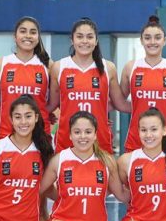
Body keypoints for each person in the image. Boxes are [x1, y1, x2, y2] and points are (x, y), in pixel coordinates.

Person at [0, 16, 53, 221]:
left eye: (33, 31)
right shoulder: (1, 64)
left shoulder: (47, 66)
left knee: (39, 203)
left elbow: (50, 103)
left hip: (38, 142)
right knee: (9, 205)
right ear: (15, 35)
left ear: (38, 37)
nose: (28, 36)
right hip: (8, 140)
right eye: (23, 31)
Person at [49, 17, 130, 154]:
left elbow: (120, 103)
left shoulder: (108, 67)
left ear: (96, 40)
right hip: (67, 139)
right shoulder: (59, 67)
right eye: (80, 37)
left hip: (100, 139)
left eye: (89, 37)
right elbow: (52, 104)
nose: (85, 41)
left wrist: (150, 106)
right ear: (72, 40)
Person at [119, 15, 166, 152]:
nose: (152, 42)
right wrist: (138, 108)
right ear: (142, 41)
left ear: (164, 41)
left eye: (157, 37)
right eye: (147, 38)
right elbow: (120, 102)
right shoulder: (130, 67)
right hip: (137, 136)